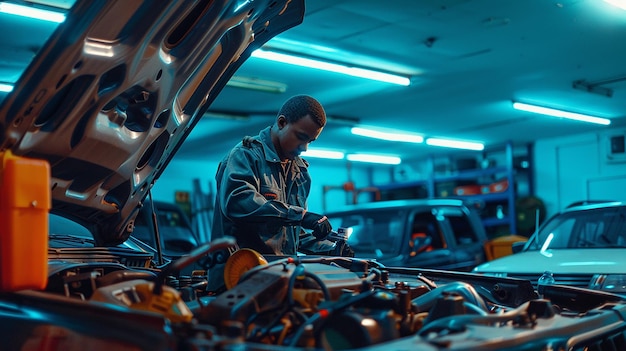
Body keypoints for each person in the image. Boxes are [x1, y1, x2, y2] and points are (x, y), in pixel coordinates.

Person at [208, 95, 353, 292]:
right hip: (236, 280)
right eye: (301, 137)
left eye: (311, 141)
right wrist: (300, 215)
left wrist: (330, 249)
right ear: (282, 123)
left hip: (279, 281)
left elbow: (292, 235)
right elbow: (238, 201)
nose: (305, 148)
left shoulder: (300, 173)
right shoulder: (245, 156)